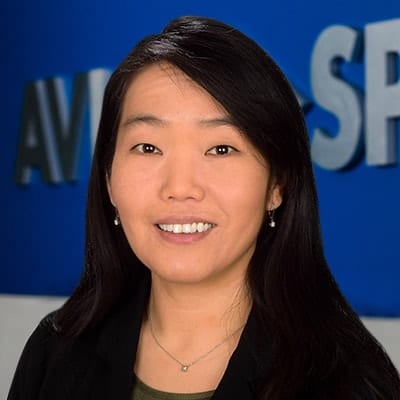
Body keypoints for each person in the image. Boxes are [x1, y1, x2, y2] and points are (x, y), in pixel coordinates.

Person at [8, 15, 400, 400]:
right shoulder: (56, 351)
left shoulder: (347, 381)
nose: (180, 188)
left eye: (221, 148)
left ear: (276, 186)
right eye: (148, 147)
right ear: (109, 179)